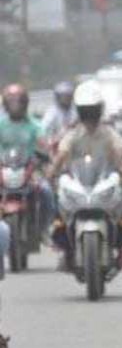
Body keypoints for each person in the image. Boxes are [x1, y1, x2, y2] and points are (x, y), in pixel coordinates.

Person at [47, 79, 122, 264]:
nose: (89, 115)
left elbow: (118, 151)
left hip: (104, 179)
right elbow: (63, 152)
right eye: (85, 110)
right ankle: (60, 236)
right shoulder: (73, 133)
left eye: (92, 109)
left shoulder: (108, 132)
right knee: (59, 193)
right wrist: (52, 170)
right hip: (80, 180)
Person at [0, 83, 55, 235]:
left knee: (46, 191)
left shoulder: (34, 124)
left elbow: (43, 142)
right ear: (5, 104)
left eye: (19, 102)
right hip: (4, 169)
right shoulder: (1, 124)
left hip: (30, 169)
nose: (15, 106)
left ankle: (45, 229)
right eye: (11, 102)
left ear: (25, 103)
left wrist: (47, 150)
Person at [41, 81, 77, 149]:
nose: (66, 99)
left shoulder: (75, 109)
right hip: (56, 143)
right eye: (63, 96)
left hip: (73, 142)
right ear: (58, 97)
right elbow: (43, 128)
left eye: (68, 96)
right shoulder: (52, 112)